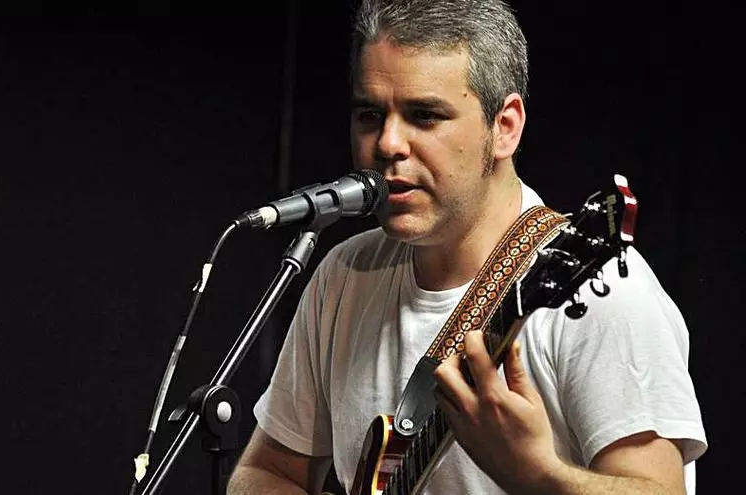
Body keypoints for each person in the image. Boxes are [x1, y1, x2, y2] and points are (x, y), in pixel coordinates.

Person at [227, 0, 707, 493]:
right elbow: (264, 472)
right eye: (370, 114)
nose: (387, 144)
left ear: (505, 127)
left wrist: (539, 476)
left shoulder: (602, 292)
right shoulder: (344, 275)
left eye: (424, 116)